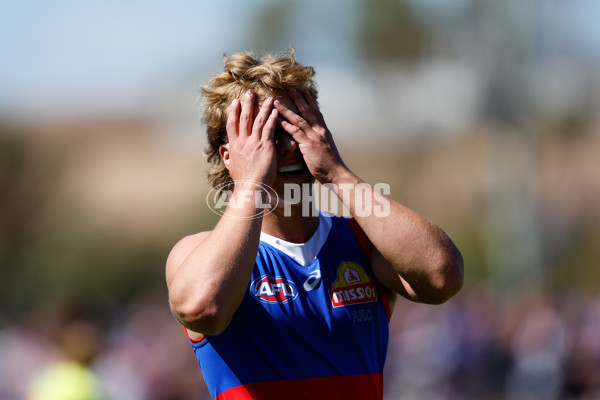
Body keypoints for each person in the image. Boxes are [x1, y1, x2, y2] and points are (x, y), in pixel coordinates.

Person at [166, 48, 464, 400]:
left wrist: (337, 173)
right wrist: (250, 184)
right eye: (267, 132)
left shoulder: (362, 241)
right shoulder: (196, 252)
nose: (289, 145)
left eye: (296, 124)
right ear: (229, 155)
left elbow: (442, 276)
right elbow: (204, 307)